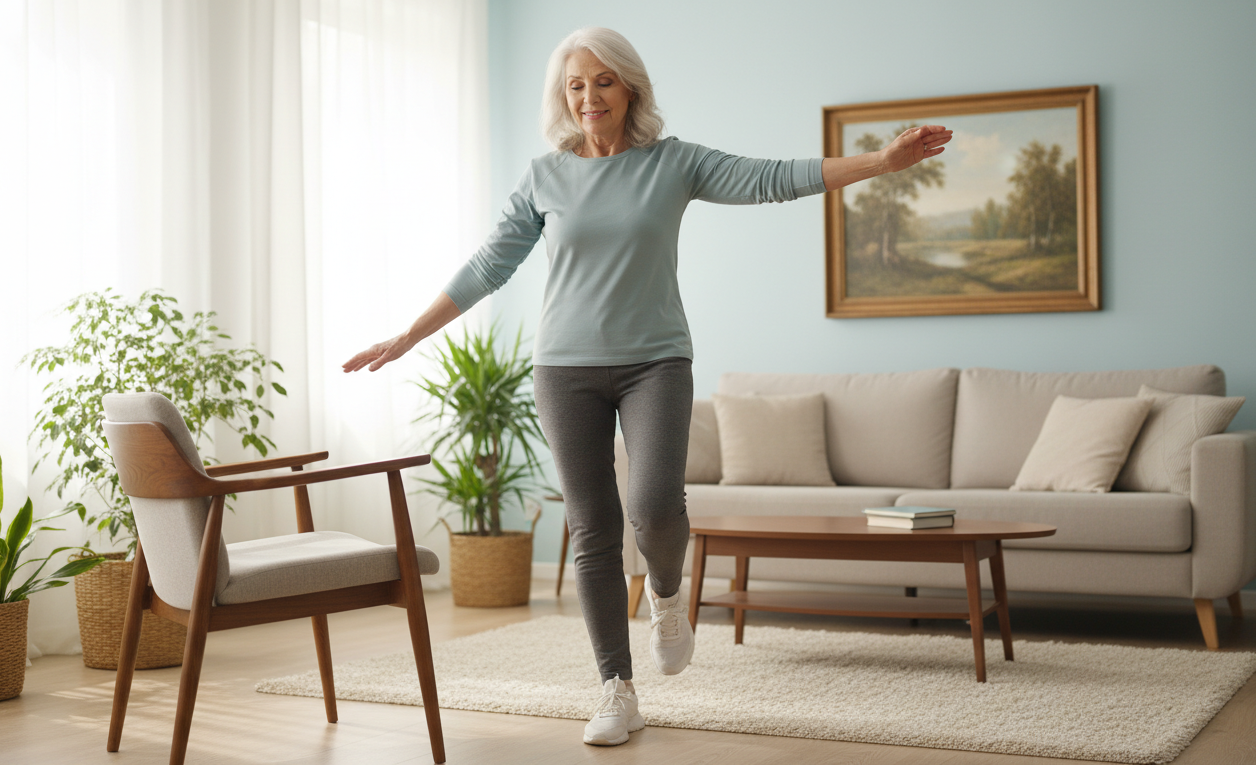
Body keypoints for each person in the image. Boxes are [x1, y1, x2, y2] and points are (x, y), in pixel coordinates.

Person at [343, 26, 951, 747]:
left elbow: (771, 177)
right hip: (564, 370)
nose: (588, 97)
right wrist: (408, 334)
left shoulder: (673, 163)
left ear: (629, 86)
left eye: (602, 81)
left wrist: (881, 162)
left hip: (656, 361)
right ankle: (615, 688)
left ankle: (666, 594)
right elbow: (487, 267)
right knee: (594, 529)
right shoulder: (545, 177)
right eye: (575, 84)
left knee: (657, 504)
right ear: (562, 97)